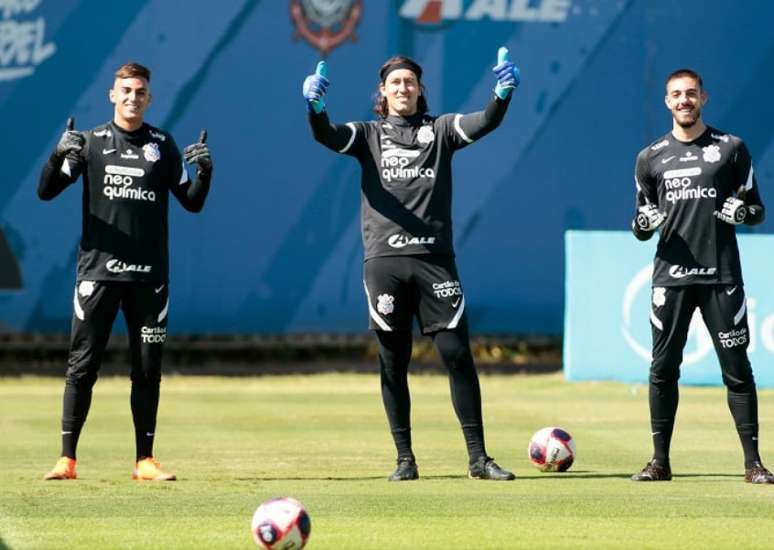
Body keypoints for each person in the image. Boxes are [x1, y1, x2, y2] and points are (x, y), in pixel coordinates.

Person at [303, 48, 519, 481]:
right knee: (393, 361)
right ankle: (405, 459)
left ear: (421, 91)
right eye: (395, 83)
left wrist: (501, 95)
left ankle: (478, 459)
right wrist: (315, 108)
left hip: (435, 262)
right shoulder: (367, 134)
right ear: (382, 92)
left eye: (410, 82)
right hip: (384, 262)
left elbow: (485, 121)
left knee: (457, 356)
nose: (403, 88)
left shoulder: (440, 130)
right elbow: (326, 136)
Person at [38, 62, 213, 481]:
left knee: (148, 369)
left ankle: (144, 461)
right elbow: (46, 191)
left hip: (149, 277)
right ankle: (67, 460)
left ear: (149, 98)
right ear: (112, 96)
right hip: (98, 274)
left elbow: (192, 201)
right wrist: (57, 155)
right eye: (126, 90)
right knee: (82, 366)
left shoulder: (162, 145)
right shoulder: (91, 143)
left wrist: (205, 172)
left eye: (140, 91)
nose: (133, 97)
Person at [630, 68, 772, 483]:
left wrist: (744, 213)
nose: (684, 101)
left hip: (721, 277)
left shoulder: (731, 149)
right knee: (663, 369)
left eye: (691, 94)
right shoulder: (649, 157)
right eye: (676, 95)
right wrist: (643, 224)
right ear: (667, 102)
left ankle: (754, 464)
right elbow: (639, 222)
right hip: (670, 279)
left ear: (703, 98)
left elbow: (757, 208)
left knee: (737, 369)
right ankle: (659, 462)